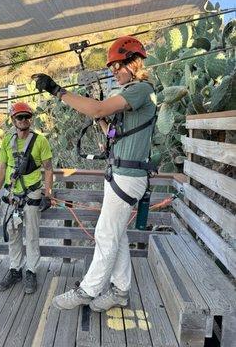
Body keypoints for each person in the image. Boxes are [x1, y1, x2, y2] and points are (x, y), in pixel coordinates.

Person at [33, 36, 157, 311]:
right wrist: (101, 121)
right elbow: (113, 133)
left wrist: (58, 91)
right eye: (111, 67)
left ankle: (87, 291)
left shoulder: (140, 90)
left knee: (104, 234)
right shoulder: (133, 95)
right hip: (122, 174)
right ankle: (120, 291)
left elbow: (100, 107)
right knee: (116, 234)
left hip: (127, 176)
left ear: (134, 63)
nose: (114, 71)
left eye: (117, 66)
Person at [0, 101, 53, 294]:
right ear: (13, 120)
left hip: (32, 193)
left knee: (32, 235)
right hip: (11, 194)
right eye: (20, 117)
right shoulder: (7, 141)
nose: (24, 120)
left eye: (27, 117)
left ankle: (31, 271)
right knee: (14, 234)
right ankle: (15, 269)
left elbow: (48, 169)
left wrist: (47, 195)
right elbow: (2, 168)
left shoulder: (40, 141)